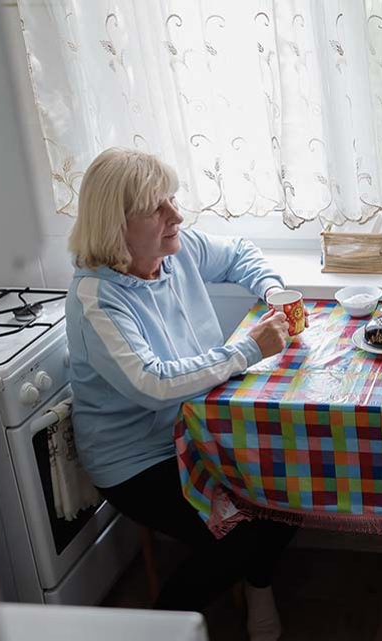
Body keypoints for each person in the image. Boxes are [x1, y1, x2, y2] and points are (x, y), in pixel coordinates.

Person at [65, 148, 295, 641]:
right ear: (115, 224)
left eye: (172, 199)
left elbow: (240, 253)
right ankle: (162, 629)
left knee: (292, 486)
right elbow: (153, 382)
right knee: (239, 535)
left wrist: (271, 291)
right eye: (157, 208)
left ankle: (258, 588)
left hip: (200, 427)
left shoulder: (176, 248)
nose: (177, 216)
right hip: (137, 460)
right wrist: (248, 350)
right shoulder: (97, 299)